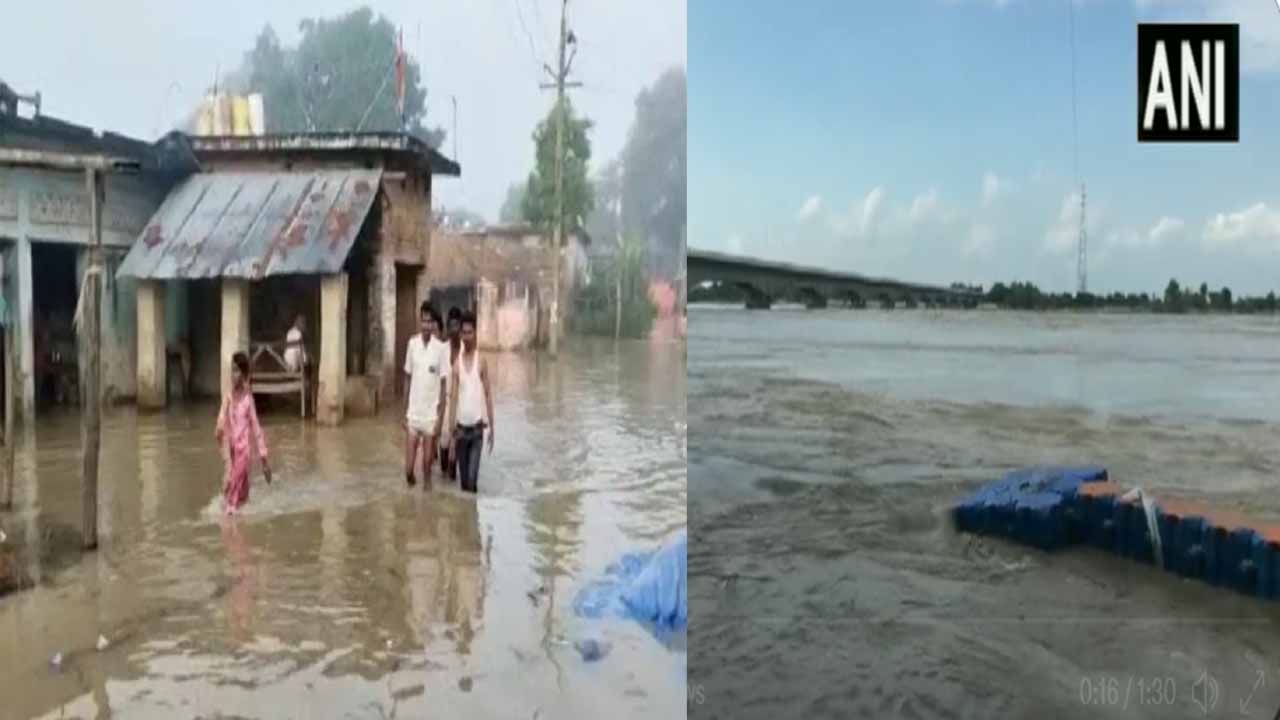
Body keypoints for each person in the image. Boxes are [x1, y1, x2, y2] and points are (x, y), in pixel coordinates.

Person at [215, 351, 271, 515]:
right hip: (233, 451)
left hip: (244, 453)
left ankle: (229, 531)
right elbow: (221, 418)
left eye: (237, 371)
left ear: (244, 374)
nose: (234, 375)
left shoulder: (248, 400)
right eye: (232, 370)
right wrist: (219, 428)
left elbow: (256, 429)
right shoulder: (229, 397)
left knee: (230, 502)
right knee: (241, 497)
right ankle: (241, 535)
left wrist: (264, 460)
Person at [445, 311, 494, 493]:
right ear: (461, 334)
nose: (466, 336)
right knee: (464, 484)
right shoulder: (456, 364)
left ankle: (474, 520)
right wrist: (451, 432)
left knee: (472, 482)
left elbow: (488, 394)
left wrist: (493, 427)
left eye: (469, 332)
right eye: (463, 333)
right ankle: (467, 519)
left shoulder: (481, 361)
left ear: (475, 334)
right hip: (460, 432)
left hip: (477, 431)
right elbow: (453, 398)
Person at [403, 302, 450, 486]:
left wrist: (440, 419)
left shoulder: (440, 349)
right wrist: (404, 412)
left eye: (430, 321)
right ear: (419, 321)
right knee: (408, 471)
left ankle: (425, 508)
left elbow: (444, 385)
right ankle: (412, 503)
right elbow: (407, 378)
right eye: (424, 321)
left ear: (433, 324)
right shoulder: (412, 344)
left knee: (427, 469)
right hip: (413, 414)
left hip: (431, 417)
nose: (426, 325)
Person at [439, 306, 463, 481]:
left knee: (456, 450)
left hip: (462, 404)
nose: (453, 330)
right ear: (447, 327)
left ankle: (453, 475)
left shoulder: (467, 350)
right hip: (445, 403)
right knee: (444, 445)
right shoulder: (442, 350)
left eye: (457, 326)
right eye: (451, 326)